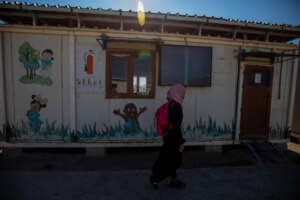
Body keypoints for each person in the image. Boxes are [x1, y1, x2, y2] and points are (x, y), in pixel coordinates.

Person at [151, 83, 186, 189]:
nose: (184, 95)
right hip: (173, 138)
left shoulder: (170, 104)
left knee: (168, 158)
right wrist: (181, 142)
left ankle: (172, 180)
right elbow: (176, 126)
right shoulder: (177, 107)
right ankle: (155, 178)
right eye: (183, 93)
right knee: (173, 160)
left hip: (167, 136)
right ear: (178, 93)